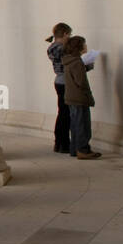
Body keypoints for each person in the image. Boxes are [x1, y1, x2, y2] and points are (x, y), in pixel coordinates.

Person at [62, 35, 101, 159]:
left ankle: (75, 149)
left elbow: (75, 74)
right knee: (82, 125)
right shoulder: (77, 62)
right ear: (79, 47)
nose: (86, 46)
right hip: (79, 97)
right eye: (84, 44)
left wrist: (85, 68)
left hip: (71, 97)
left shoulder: (69, 60)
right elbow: (81, 82)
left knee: (75, 124)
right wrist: (88, 95)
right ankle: (83, 150)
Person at [45, 22, 73, 153]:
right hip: (65, 82)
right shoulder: (59, 48)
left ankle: (59, 143)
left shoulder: (53, 47)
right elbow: (69, 62)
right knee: (65, 114)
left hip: (59, 81)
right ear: (65, 34)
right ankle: (63, 143)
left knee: (63, 113)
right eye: (69, 35)